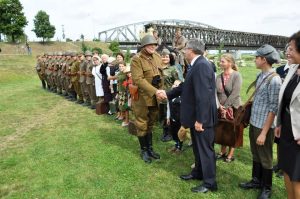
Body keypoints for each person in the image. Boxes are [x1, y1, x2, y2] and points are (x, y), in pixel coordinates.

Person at [166, 39, 218, 193]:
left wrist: (201, 120)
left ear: (191, 50)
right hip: (196, 117)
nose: (183, 51)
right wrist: (168, 94)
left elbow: (204, 96)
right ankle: (198, 173)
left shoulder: (201, 65)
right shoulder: (197, 64)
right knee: (198, 148)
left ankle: (209, 183)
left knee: (206, 151)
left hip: (202, 119)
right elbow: (186, 87)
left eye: (185, 49)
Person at [239, 44, 281, 199]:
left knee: (266, 157)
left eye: (257, 57)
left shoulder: (274, 80)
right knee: (256, 154)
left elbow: (273, 108)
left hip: (265, 126)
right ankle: (256, 180)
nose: (255, 60)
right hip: (255, 122)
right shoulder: (260, 76)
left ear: (264, 59)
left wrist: (264, 133)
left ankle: (267, 188)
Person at [130, 34, 165, 163]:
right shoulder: (136, 59)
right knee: (142, 124)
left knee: (151, 123)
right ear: (144, 46)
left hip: (155, 97)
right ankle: (144, 150)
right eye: (150, 45)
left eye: (154, 45)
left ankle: (150, 149)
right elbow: (138, 79)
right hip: (142, 98)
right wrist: (156, 91)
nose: (153, 47)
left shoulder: (156, 56)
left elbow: (161, 73)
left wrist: (161, 88)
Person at [276, 31, 300, 199]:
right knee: (286, 169)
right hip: (286, 129)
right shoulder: (292, 69)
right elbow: (285, 100)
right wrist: (279, 123)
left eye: (291, 49)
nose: (287, 52)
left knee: (297, 177)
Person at [215, 53, 242, 163]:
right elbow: (215, 92)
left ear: (230, 63)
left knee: (232, 131)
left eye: (223, 61)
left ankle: (230, 155)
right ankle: (222, 152)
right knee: (222, 130)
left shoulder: (236, 75)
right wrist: (219, 105)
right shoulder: (218, 76)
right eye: (220, 61)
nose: (220, 63)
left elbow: (235, 93)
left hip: (233, 108)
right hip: (220, 108)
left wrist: (225, 107)